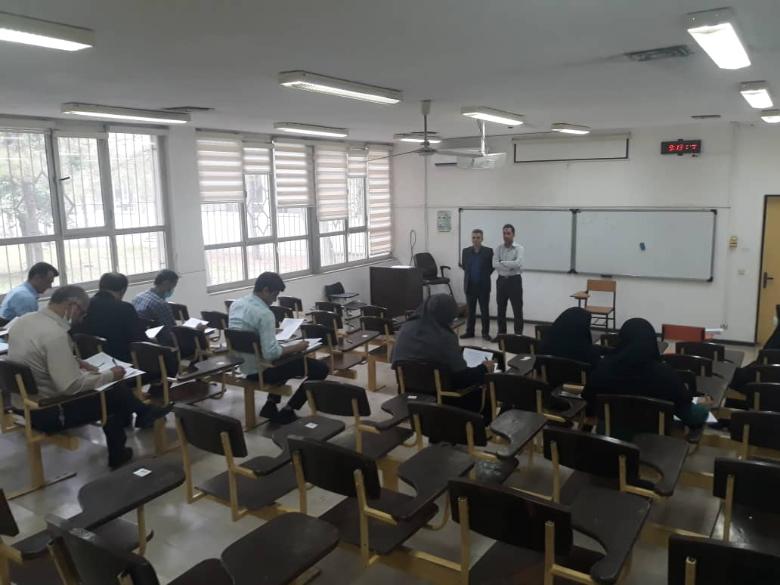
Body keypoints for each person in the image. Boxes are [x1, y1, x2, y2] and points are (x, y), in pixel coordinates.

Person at [7, 286, 171, 469]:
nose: (81, 319)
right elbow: (70, 386)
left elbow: (37, 356)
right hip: (49, 413)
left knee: (114, 390)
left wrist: (74, 360)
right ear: (73, 306)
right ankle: (119, 452)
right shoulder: (55, 335)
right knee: (114, 393)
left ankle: (143, 413)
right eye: (83, 313)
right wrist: (110, 375)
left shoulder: (25, 321)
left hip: (22, 406)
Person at [228, 272, 329, 424]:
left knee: (288, 360)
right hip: (262, 371)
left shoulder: (237, 304)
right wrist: (297, 347)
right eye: (274, 295)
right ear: (265, 290)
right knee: (320, 368)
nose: (275, 300)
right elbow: (271, 354)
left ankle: (271, 404)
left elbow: (244, 333)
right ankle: (289, 409)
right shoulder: (265, 314)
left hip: (241, 366)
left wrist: (269, 332)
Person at [583, 318, 710, 433]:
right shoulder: (665, 374)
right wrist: (705, 408)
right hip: (654, 446)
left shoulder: (603, 368)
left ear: (621, 339)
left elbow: (588, 401)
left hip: (610, 442)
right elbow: (690, 416)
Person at [392, 294, 494, 415]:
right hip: (442, 400)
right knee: (487, 390)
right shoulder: (445, 337)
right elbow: (462, 379)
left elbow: (394, 360)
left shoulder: (404, 329)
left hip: (409, 397)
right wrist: (483, 368)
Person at [73, 272, 146, 362]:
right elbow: (139, 339)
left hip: (88, 358)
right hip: (119, 359)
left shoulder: (85, 305)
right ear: (123, 290)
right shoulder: (125, 308)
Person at [461, 229, 494, 341]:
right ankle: (470, 332)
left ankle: (485, 333)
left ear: (482, 239)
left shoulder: (488, 251)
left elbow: (491, 267)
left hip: (483, 286)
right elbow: (465, 266)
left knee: (485, 311)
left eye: (478, 237)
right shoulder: (465, 251)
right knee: (471, 311)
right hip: (470, 286)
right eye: (473, 237)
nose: (475, 240)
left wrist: (483, 276)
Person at [493, 224, 524, 339]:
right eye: (504, 233)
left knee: (517, 309)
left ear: (513, 234)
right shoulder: (498, 248)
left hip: (514, 281)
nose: (505, 236)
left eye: (508, 233)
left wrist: (502, 262)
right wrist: (510, 265)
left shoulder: (519, 248)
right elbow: (494, 264)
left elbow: (518, 263)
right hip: (501, 281)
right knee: (501, 309)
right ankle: (501, 335)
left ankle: (518, 336)